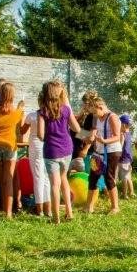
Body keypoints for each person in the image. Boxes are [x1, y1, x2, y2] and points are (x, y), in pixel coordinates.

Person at [37, 81, 81, 224]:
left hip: (51, 151)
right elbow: (76, 129)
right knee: (64, 180)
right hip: (67, 149)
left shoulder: (42, 112)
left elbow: (40, 135)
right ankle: (69, 212)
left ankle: (56, 218)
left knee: (55, 184)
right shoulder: (66, 109)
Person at [0, 82, 25, 219]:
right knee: (8, 179)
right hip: (10, 146)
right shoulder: (17, 112)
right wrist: (21, 107)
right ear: (12, 96)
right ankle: (8, 213)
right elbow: (21, 128)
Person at [86, 98, 121, 214]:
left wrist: (104, 141)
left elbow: (117, 136)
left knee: (108, 178)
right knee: (92, 177)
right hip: (98, 152)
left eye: (95, 112)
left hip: (111, 152)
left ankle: (115, 207)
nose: (94, 115)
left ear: (100, 108)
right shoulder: (97, 117)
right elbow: (95, 131)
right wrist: (90, 138)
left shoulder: (112, 117)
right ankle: (89, 207)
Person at [22, 92, 51, 216]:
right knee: (46, 178)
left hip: (36, 146)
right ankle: (48, 209)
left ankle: (39, 210)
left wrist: (20, 115)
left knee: (38, 177)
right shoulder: (51, 116)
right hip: (48, 146)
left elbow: (22, 131)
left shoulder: (32, 116)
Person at [71, 90, 98, 161]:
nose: (84, 105)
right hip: (76, 146)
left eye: (86, 103)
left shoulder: (94, 115)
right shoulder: (85, 113)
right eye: (84, 103)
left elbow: (93, 135)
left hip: (85, 150)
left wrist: (85, 149)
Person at [118, 115, 134, 200]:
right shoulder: (129, 133)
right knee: (128, 177)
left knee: (124, 178)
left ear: (123, 125)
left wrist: (117, 155)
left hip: (123, 158)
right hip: (129, 158)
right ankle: (131, 192)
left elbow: (120, 146)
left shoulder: (122, 134)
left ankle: (124, 195)